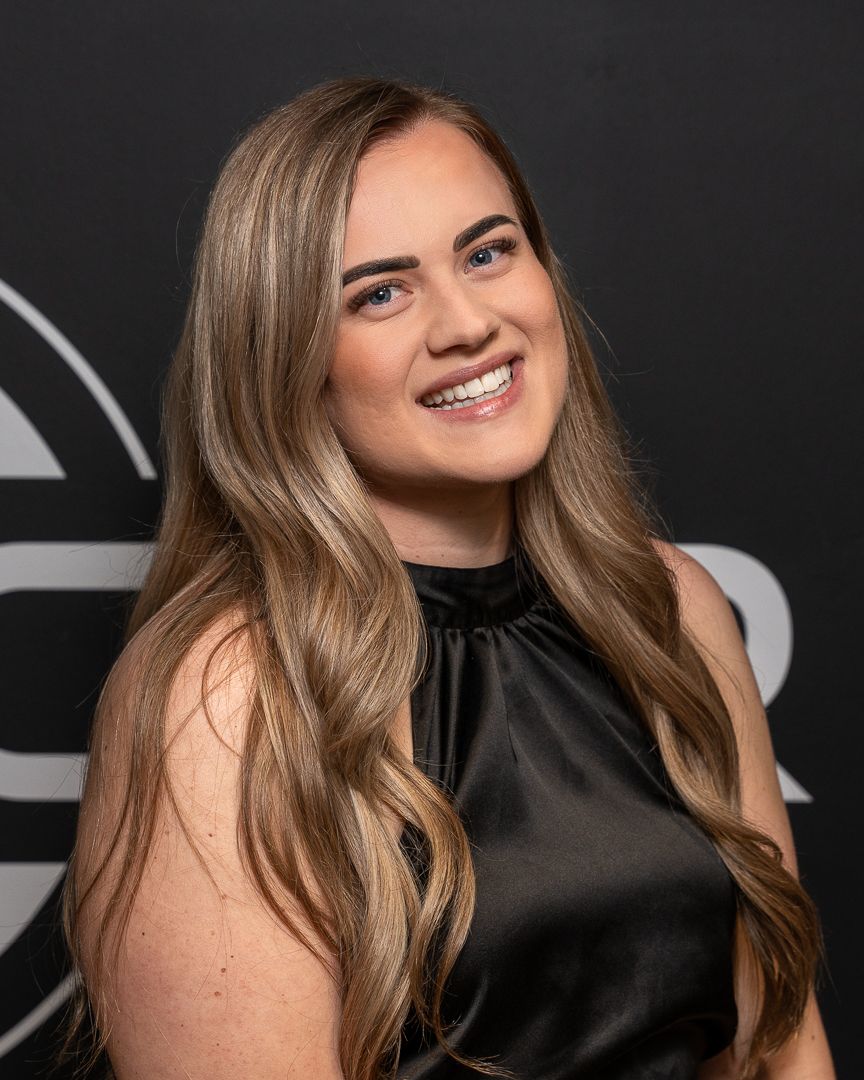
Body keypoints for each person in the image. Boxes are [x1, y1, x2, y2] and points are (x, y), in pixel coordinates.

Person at [61, 76, 834, 1079]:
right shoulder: (230, 697)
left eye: (487, 252)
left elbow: (783, 1041)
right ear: (286, 360)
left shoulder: (670, 609)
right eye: (380, 292)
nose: (466, 323)